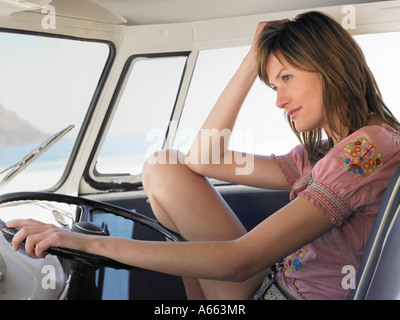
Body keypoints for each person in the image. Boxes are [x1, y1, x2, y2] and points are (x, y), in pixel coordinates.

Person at [8, 11, 400, 300]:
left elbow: (239, 261)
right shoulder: (322, 154)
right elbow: (203, 159)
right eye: (272, 85)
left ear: (329, 64)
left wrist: (83, 243)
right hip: (272, 286)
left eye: (286, 78)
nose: (280, 100)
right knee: (164, 167)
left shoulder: (366, 151)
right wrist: (252, 60)